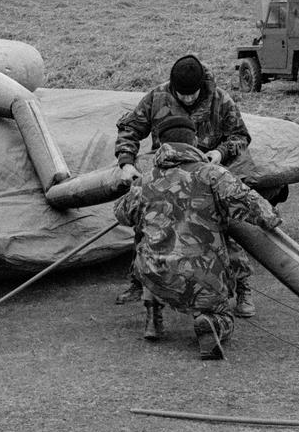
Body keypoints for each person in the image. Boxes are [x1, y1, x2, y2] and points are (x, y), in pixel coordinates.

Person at [114, 115, 282, 360]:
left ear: (160, 144)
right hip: (201, 275)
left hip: (154, 274)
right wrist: (273, 219)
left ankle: (153, 315)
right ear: (194, 140)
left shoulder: (144, 180)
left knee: (148, 248)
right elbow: (257, 209)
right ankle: (210, 323)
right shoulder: (213, 175)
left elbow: (121, 214)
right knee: (221, 312)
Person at [114, 53, 261, 316]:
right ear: (173, 87)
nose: (189, 99)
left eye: (193, 94)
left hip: (208, 177)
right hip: (168, 175)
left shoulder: (220, 99)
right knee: (147, 228)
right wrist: (126, 162)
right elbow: (129, 129)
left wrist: (220, 153)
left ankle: (243, 288)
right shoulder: (156, 97)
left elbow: (240, 135)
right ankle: (140, 283)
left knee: (225, 231)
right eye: (183, 95)